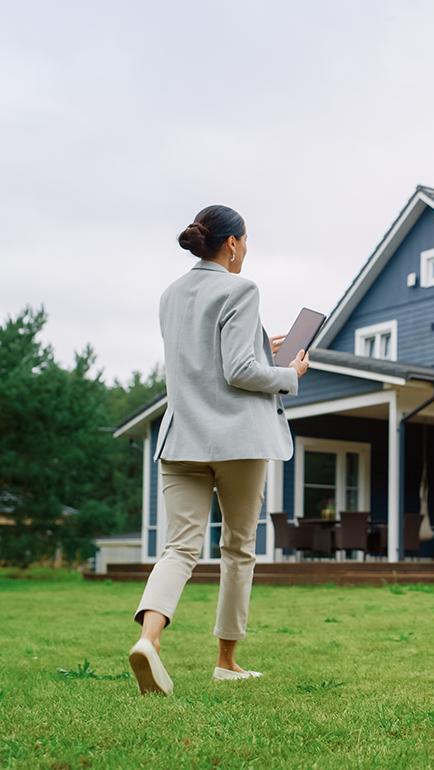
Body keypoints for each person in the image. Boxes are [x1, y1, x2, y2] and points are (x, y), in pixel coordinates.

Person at [127, 205, 309, 695]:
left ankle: (150, 640)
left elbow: (205, 360)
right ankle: (226, 661)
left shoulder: (169, 295)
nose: (246, 251)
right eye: (246, 243)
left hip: (180, 436)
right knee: (237, 549)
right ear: (232, 244)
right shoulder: (241, 288)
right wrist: (290, 374)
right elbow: (239, 373)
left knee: (179, 547)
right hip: (237, 441)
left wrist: (258, 349)